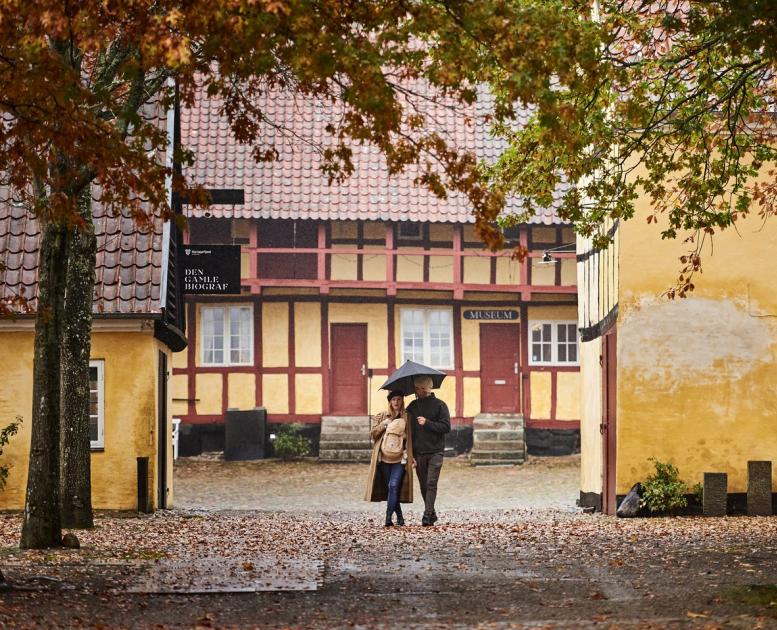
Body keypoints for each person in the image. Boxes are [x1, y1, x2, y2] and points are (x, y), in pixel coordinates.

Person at [364, 389, 414, 526]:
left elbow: (412, 438)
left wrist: (411, 455)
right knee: (392, 488)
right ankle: (400, 517)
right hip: (384, 458)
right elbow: (372, 435)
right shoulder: (381, 416)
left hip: (400, 459)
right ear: (390, 402)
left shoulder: (407, 417)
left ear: (402, 401)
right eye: (393, 400)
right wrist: (384, 424)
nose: (396, 402)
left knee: (393, 485)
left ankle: (387, 518)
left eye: (398, 399)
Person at [407, 375, 450, 526]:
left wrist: (428, 423)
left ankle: (426, 515)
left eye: (419, 388)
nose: (416, 391)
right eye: (416, 388)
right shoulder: (412, 406)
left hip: (436, 451)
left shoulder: (440, 405)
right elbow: (406, 428)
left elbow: (446, 427)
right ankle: (431, 512)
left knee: (431, 483)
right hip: (419, 453)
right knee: (423, 485)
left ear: (424, 388)